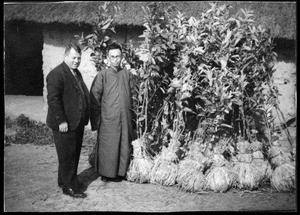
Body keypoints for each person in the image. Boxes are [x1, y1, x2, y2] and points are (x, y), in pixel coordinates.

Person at [46, 43, 90, 198]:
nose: (76, 61)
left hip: (76, 122)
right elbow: (53, 100)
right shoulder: (56, 74)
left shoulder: (76, 73)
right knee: (67, 155)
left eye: (79, 58)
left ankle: (67, 180)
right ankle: (68, 187)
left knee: (73, 153)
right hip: (64, 124)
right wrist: (61, 121)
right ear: (65, 56)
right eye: (73, 58)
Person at [90, 42, 133, 182]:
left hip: (124, 118)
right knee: (108, 145)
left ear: (122, 57)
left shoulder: (127, 74)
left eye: (118, 56)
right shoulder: (103, 75)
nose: (115, 59)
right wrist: (96, 120)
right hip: (109, 118)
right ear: (107, 58)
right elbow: (94, 97)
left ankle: (121, 173)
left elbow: (134, 95)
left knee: (123, 144)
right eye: (112, 57)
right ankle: (107, 174)